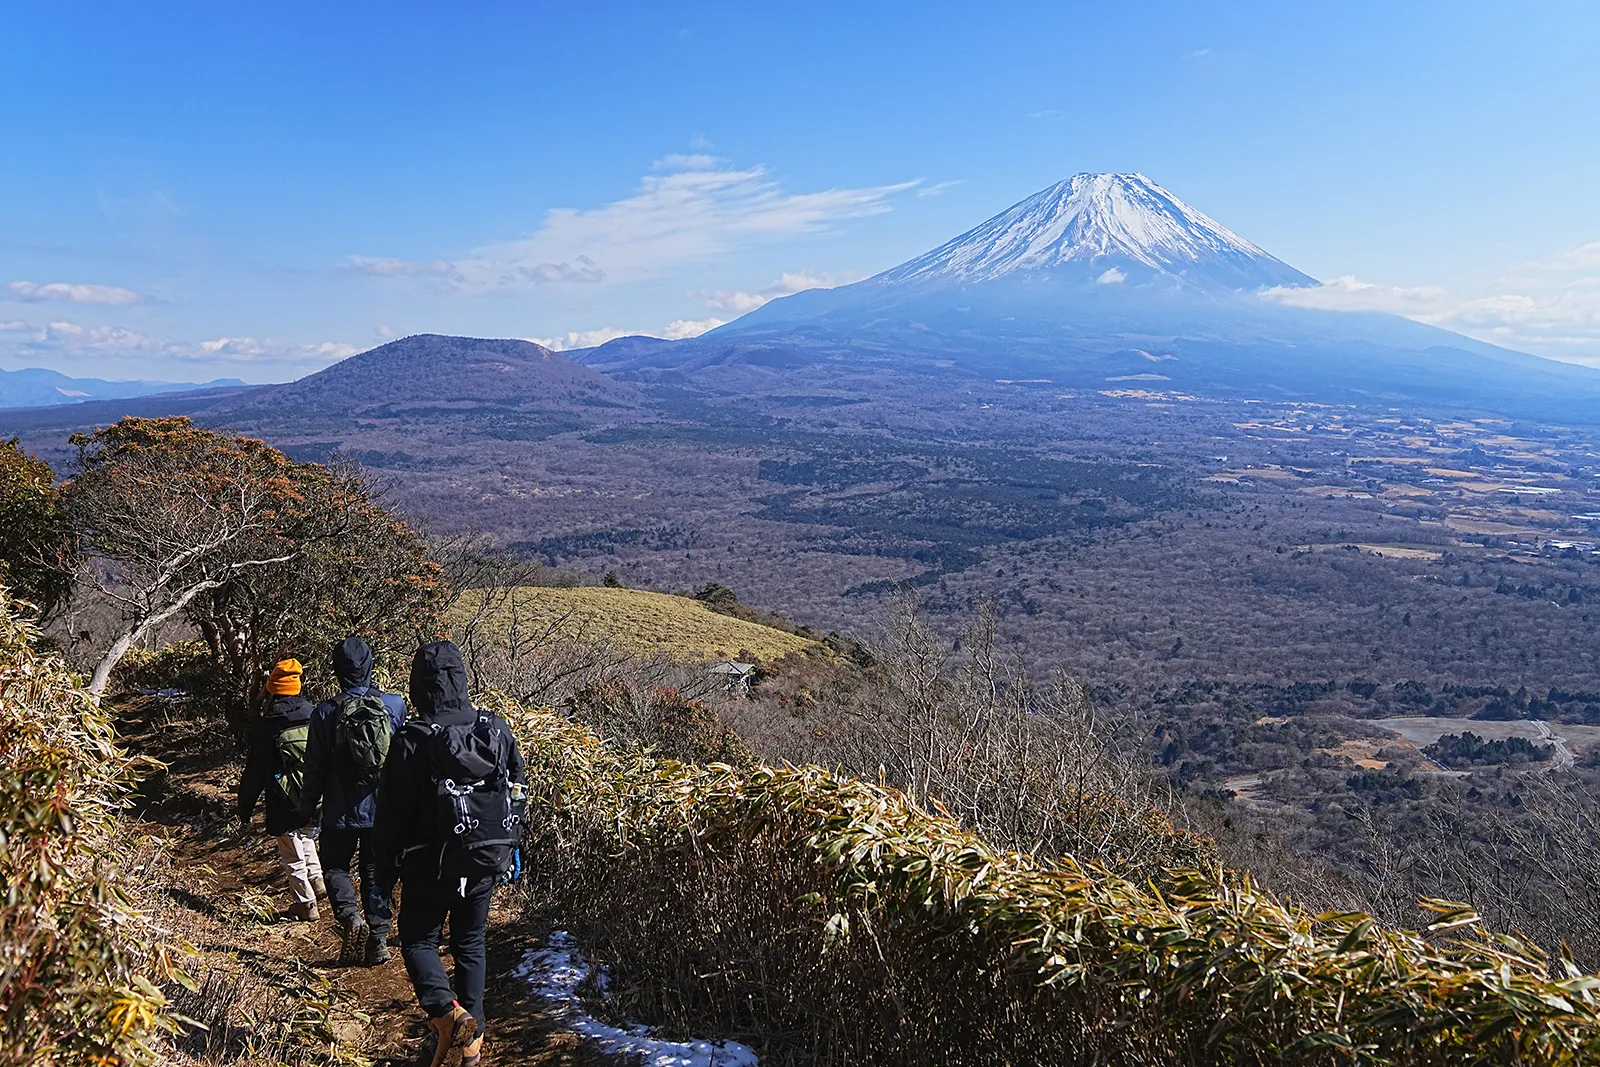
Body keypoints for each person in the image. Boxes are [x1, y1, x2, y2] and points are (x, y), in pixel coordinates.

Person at [373, 640, 525, 1067]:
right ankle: (472, 1038)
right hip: (483, 859)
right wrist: (513, 845)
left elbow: (390, 818)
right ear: (461, 679)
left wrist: (381, 880)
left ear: (418, 686)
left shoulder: (412, 740)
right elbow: (517, 792)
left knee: (419, 939)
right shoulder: (495, 729)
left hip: (427, 864)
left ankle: (447, 1012)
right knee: (470, 943)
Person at [298, 637, 408, 965]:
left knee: (334, 866)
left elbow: (314, 767)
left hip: (339, 811)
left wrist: (306, 810)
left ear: (337, 671)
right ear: (370, 667)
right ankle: (378, 939)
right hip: (382, 809)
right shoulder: (395, 705)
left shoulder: (324, 713)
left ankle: (349, 917)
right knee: (376, 871)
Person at [237, 658, 324, 920]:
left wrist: (244, 808)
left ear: (274, 688)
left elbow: (255, 772)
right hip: (314, 792)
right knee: (307, 834)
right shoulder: (314, 714)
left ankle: (306, 903)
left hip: (282, 799)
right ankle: (318, 880)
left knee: (290, 850)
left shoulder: (269, 726)